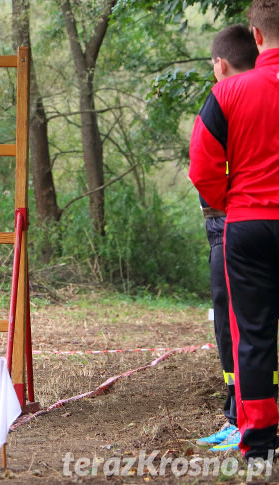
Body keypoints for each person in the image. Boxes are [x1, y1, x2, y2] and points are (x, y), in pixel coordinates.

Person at [189, 0, 279, 461]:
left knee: (253, 333)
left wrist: (233, 202)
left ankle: (259, 442)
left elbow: (202, 170)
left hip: (248, 225)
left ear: (256, 35)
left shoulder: (227, 93)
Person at [194, 24, 258, 453]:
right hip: (238, 222)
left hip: (236, 224)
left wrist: (224, 203)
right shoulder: (242, 98)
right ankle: (236, 413)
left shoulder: (229, 97)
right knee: (235, 326)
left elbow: (201, 169)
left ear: (220, 63)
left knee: (240, 327)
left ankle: (244, 421)